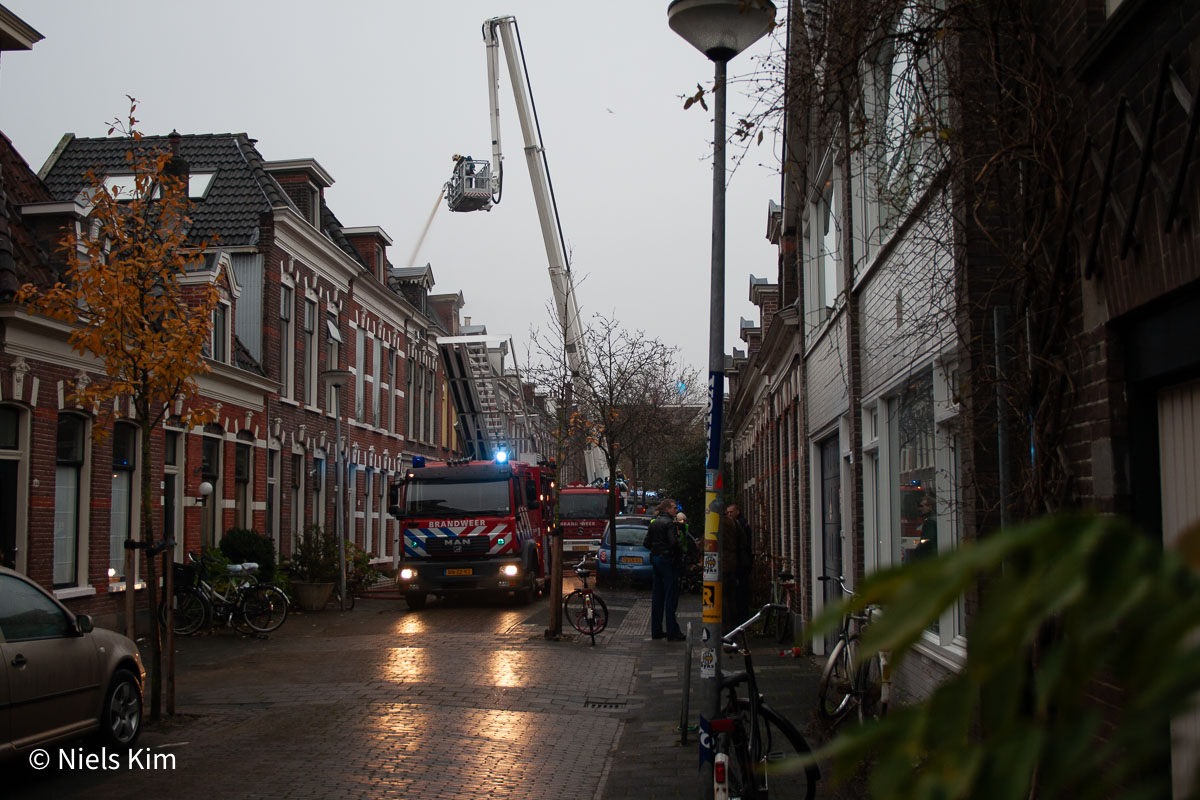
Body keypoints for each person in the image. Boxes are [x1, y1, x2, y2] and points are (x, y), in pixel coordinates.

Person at [644, 498, 686, 641]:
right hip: (668, 561)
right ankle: (672, 631)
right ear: (667, 509)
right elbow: (673, 542)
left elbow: (646, 542)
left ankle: (656, 630)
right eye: (674, 508)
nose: (676, 511)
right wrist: (679, 551)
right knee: (670, 596)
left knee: (657, 596)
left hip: (656, 560)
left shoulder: (654, 523)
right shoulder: (670, 524)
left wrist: (656, 550)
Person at [723, 503, 754, 629]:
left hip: (725, 565)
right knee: (735, 595)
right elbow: (744, 541)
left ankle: (727, 626)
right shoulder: (737, 524)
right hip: (738, 563)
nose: (730, 514)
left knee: (724, 596)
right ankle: (739, 621)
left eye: (732, 512)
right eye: (728, 512)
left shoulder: (718, 524)